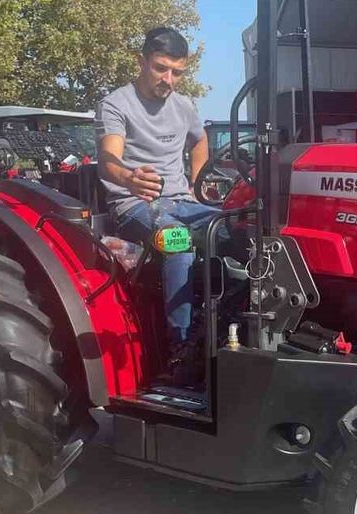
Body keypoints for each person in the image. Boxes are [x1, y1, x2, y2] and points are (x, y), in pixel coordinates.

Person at [96, 27, 215, 381]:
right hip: (134, 205)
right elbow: (107, 159)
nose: (169, 80)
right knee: (179, 242)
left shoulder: (184, 106)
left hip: (181, 201)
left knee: (237, 228)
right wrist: (129, 178)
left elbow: (200, 141)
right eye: (161, 68)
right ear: (142, 61)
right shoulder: (116, 104)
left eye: (177, 72)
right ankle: (181, 350)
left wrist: (197, 184)